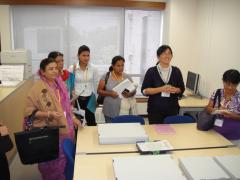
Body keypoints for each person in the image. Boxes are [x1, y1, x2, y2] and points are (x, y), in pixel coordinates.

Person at [24, 58, 81, 180]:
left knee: (65, 159)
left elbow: (67, 106)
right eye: (51, 69)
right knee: (51, 163)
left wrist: (74, 117)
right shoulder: (37, 88)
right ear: (42, 72)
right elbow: (29, 112)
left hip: (65, 129)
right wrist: (48, 114)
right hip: (48, 132)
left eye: (56, 68)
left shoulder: (59, 84)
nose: (55, 71)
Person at [141, 45, 185, 124]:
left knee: (171, 134)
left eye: (169, 53)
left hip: (172, 109)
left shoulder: (176, 71)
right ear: (158, 56)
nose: (167, 56)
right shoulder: (151, 71)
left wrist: (176, 90)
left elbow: (181, 89)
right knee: (155, 134)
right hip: (155, 110)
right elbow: (144, 91)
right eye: (164, 53)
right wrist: (161, 89)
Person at [97, 56, 137, 123]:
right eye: (118, 66)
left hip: (125, 110)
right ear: (113, 66)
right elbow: (99, 91)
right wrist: (110, 93)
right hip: (109, 109)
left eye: (122, 65)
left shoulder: (126, 76)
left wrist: (130, 94)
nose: (121, 68)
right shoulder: (106, 76)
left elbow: (134, 90)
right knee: (110, 130)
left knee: (122, 130)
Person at [206, 69, 240, 146]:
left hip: (235, 137)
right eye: (228, 84)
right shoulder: (217, 93)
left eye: (233, 85)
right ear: (223, 81)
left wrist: (230, 114)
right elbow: (208, 108)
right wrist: (217, 110)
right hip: (216, 133)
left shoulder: (239, 98)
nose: (230, 87)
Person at [69, 45, 98, 126]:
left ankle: (91, 139)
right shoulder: (72, 68)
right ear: (78, 56)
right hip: (77, 99)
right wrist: (72, 99)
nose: (86, 58)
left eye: (88, 55)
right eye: (83, 55)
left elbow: (95, 84)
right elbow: (70, 85)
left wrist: (96, 98)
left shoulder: (94, 68)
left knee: (91, 122)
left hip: (90, 99)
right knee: (79, 124)